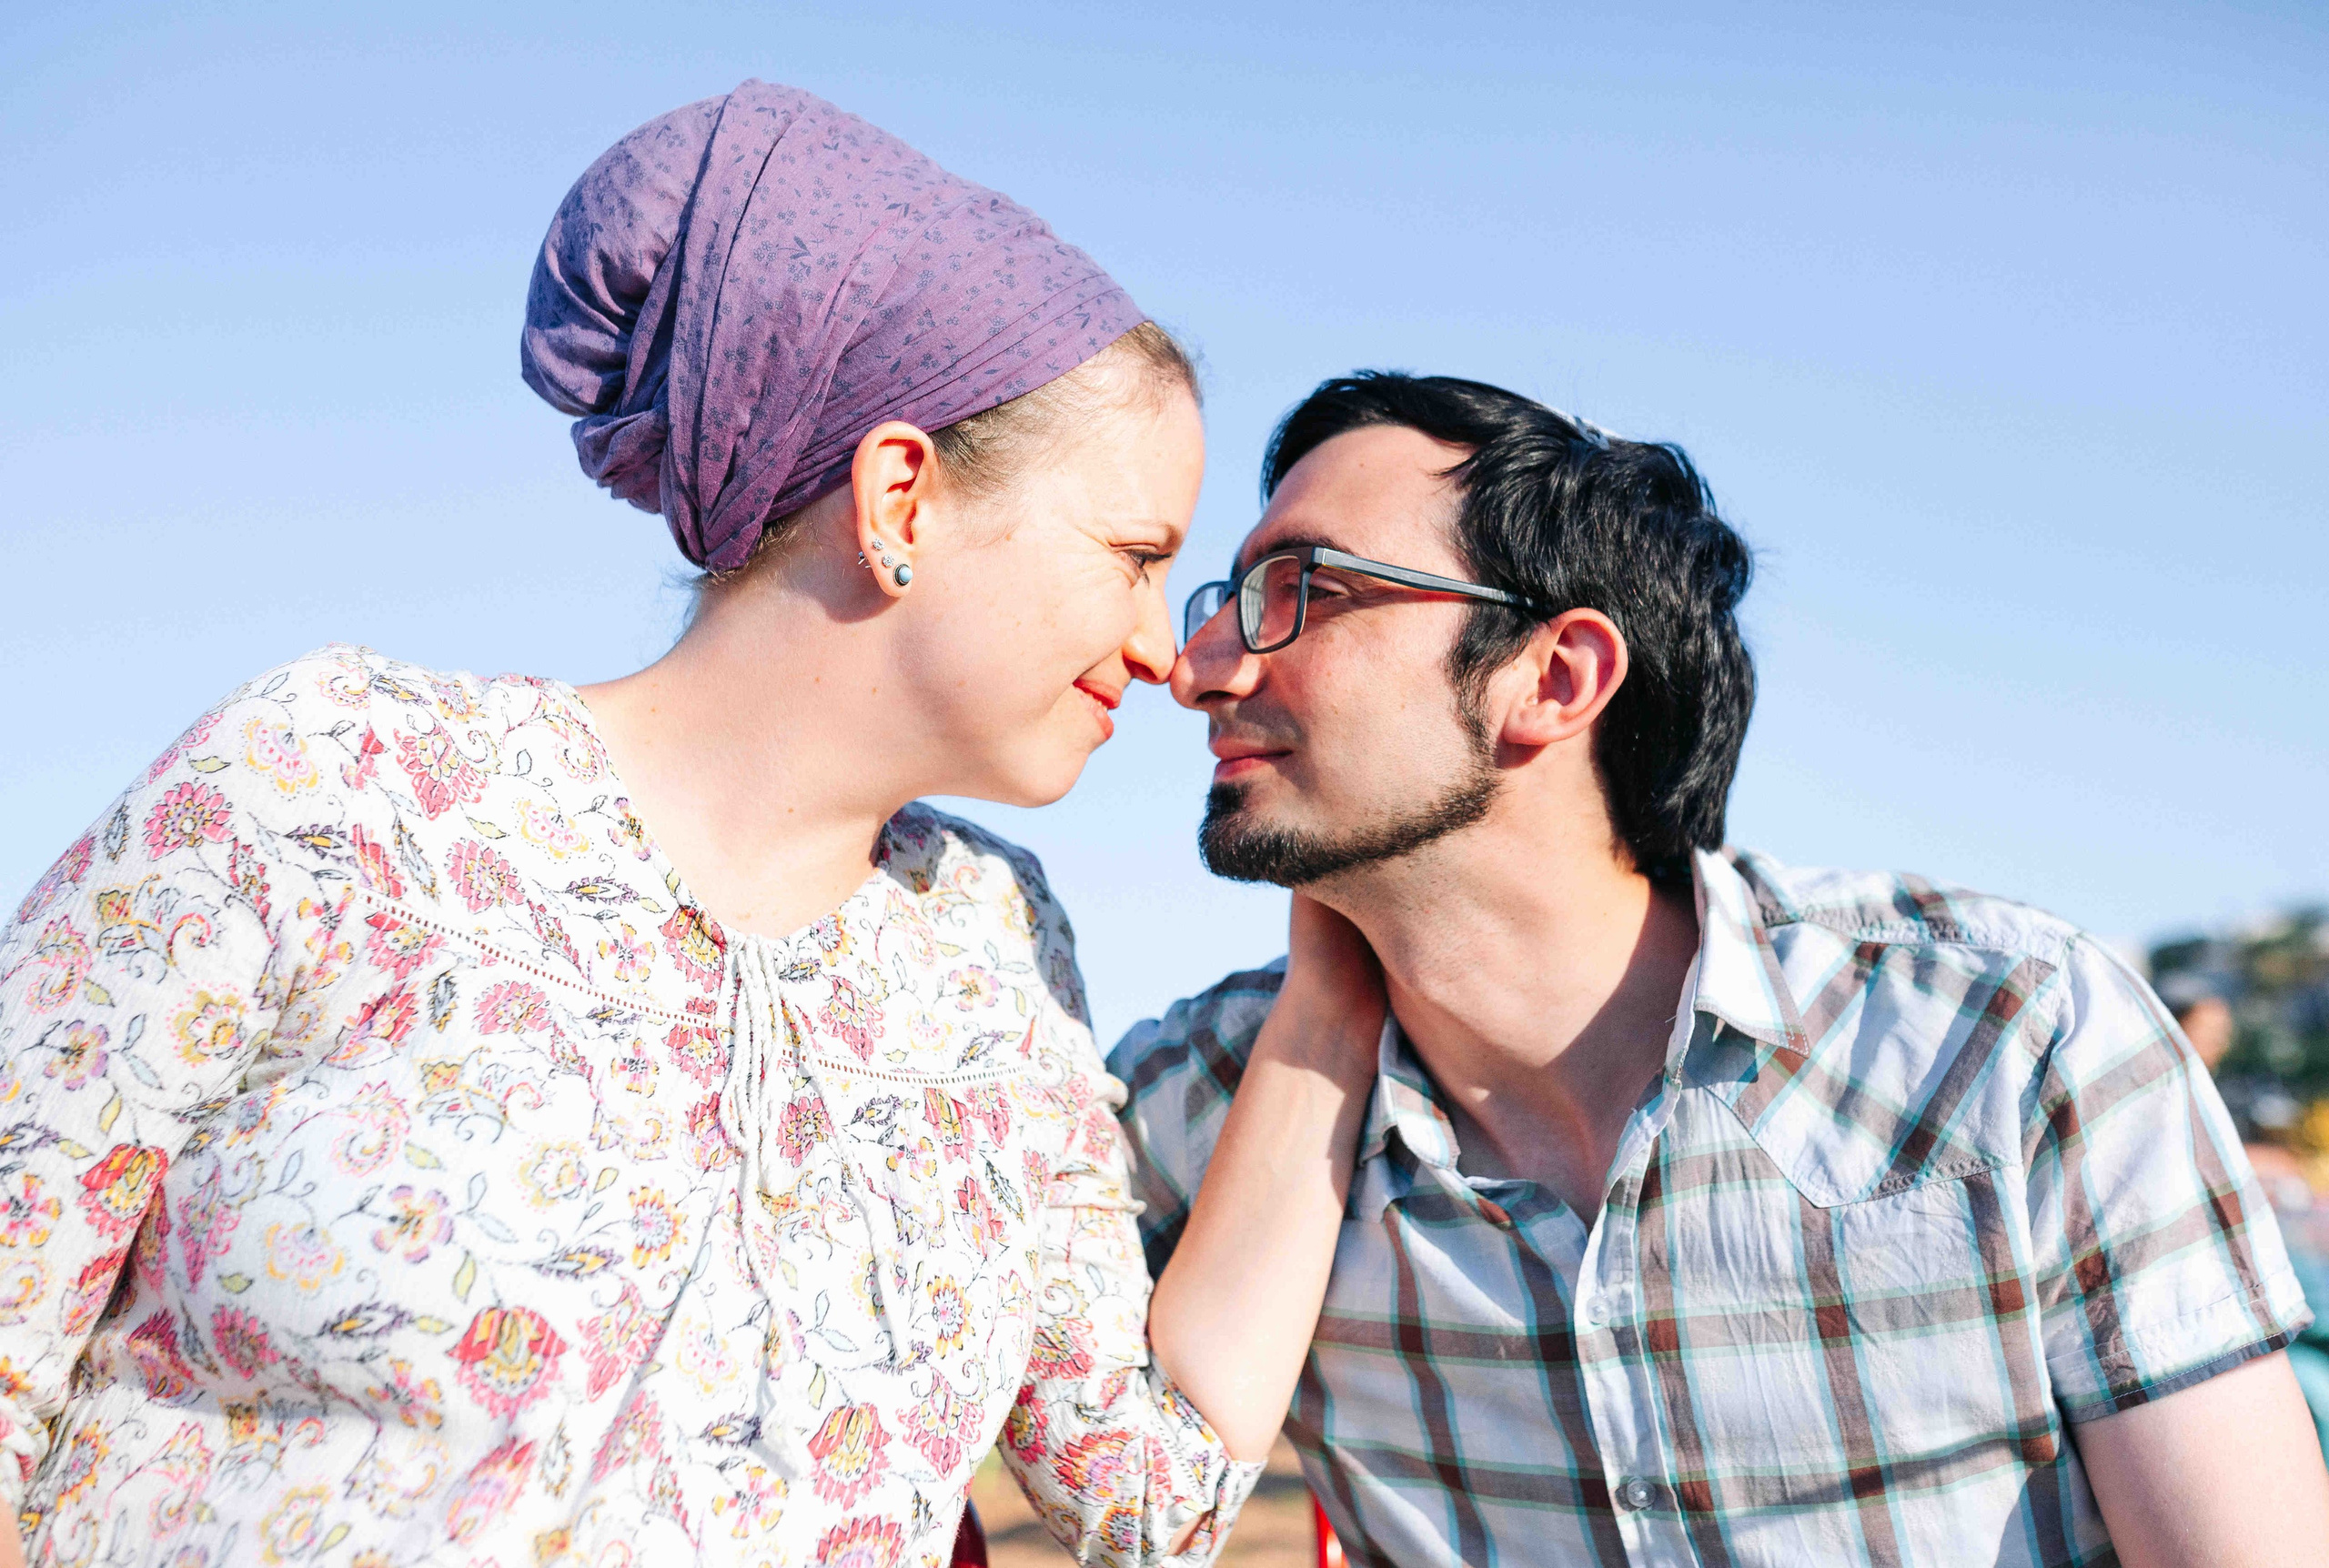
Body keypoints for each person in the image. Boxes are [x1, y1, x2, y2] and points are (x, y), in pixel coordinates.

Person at [0, 82, 1365, 1568]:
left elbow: (1147, 1499)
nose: (1171, 649)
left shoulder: (991, 940)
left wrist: (1339, 983)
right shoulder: (331, 785)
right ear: (900, 495)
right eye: (1133, 554)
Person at [1112, 371, 2329, 1567]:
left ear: (1554, 677)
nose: (1197, 665)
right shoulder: (1199, 1107)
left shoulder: (2005, 1035)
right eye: (1230, 595)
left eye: (1298, 592)